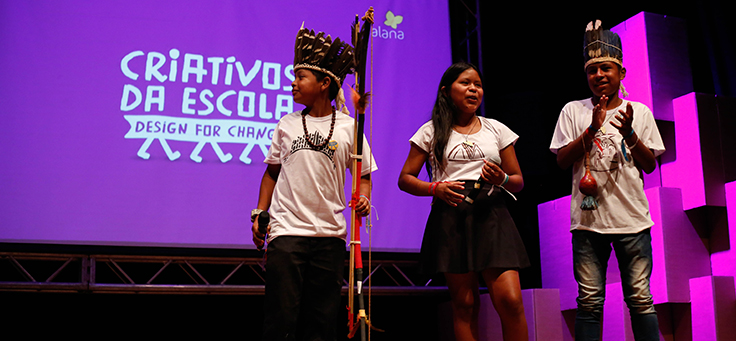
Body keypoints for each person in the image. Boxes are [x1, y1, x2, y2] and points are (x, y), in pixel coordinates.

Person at [251, 24, 377, 341]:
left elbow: (363, 177)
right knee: (281, 318)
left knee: (320, 323)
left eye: (300, 77)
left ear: (324, 84)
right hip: (287, 232)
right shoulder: (287, 124)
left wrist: (363, 199)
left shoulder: (350, 127)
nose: (293, 83)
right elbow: (271, 173)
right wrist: (259, 213)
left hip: (330, 236)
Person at [549, 20, 665, 341]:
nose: (599, 75)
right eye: (592, 70)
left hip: (633, 221)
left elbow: (649, 165)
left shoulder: (638, 112)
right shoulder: (573, 111)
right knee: (589, 302)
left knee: (640, 300)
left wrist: (628, 132)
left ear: (621, 73)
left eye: (606, 69)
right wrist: (591, 129)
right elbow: (561, 160)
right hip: (588, 223)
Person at [398, 62, 530, 341]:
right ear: (446, 91)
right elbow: (406, 179)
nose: (474, 89)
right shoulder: (430, 131)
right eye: (466, 83)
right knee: (465, 305)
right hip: (451, 219)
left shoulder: (496, 129)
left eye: (478, 85)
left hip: (493, 216)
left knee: (510, 300)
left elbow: (517, 180)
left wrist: (502, 179)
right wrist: (435, 188)